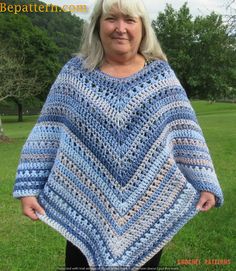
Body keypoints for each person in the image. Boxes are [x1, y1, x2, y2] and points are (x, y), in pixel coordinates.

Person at [13, 0, 224, 270]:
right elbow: (48, 132)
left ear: (143, 28)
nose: (120, 28)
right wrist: (29, 188)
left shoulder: (161, 77)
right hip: (85, 209)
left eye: (130, 20)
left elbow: (186, 133)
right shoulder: (75, 74)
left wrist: (205, 181)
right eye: (111, 18)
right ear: (97, 25)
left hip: (146, 211)